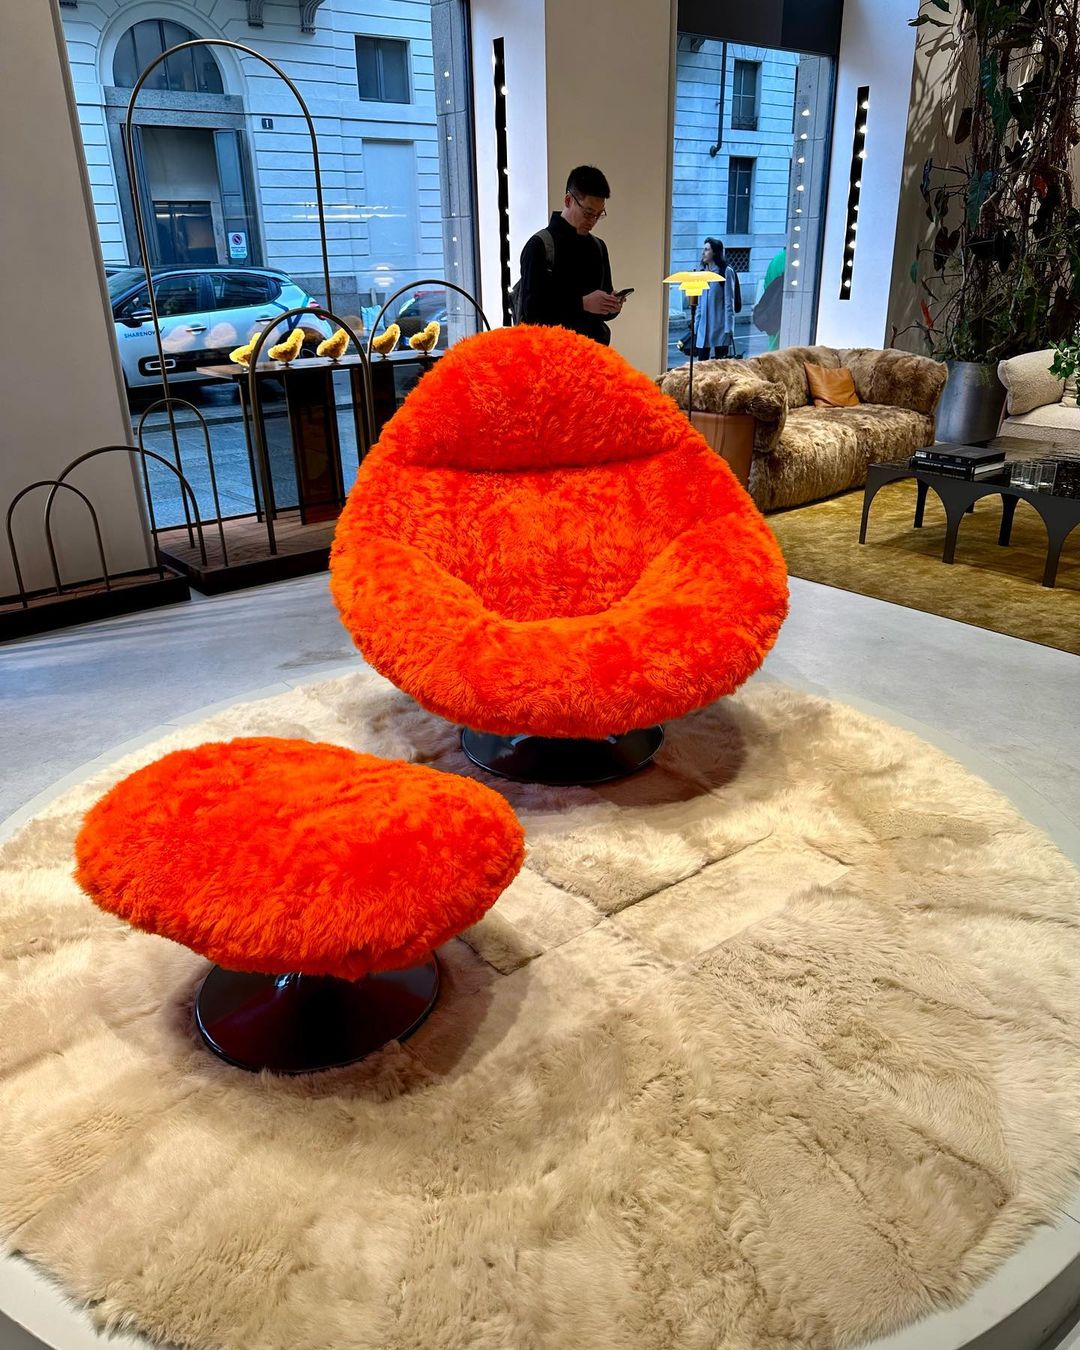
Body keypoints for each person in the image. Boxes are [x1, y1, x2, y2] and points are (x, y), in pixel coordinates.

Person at [517, 166, 626, 345]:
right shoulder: (540, 246)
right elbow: (533, 314)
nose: (593, 221)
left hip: (593, 352)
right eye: (588, 213)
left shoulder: (598, 247)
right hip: (552, 355)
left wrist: (611, 305)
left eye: (599, 215)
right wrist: (582, 303)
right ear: (568, 200)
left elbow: (602, 312)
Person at [693, 237, 737, 359]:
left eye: (707, 250)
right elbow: (700, 304)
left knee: (719, 364)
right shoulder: (702, 273)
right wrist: (696, 326)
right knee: (701, 363)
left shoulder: (726, 271)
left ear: (715, 253)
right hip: (703, 329)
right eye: (703, 249)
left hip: (719, 327)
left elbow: (729, 302)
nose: (703, 253)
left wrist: (729, 329)